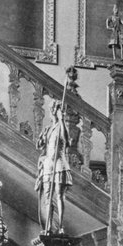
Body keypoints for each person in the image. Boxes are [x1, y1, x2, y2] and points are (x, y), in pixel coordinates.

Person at [35, 100, 72, 234]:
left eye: (54, 109)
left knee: (59, 195)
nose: (52, 112)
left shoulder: (61, 126)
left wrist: (62, 120)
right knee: (47, 197)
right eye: (52, 109)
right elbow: (39, 145)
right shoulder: (48, 128)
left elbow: (66, 140)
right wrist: (42, 138)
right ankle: (48, 227)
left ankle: (60, 226)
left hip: (59, 164)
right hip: (48, 165)